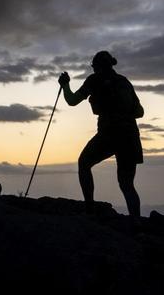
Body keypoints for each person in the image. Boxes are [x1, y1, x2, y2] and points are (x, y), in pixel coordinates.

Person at [58, 51, 144, 217]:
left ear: (96, 66)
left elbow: (72, 101)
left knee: (84, 163)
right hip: (130, 135)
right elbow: (140, 112)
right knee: (127, 184)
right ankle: (137, 223)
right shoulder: (124, 82)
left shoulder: (94, 80)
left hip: (109, 133)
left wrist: (65, 85)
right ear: (111, 64)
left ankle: (90, 209)